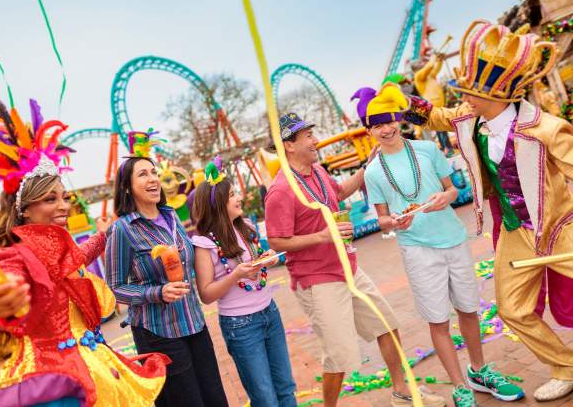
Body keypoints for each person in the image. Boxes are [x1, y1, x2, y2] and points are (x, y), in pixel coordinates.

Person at [0, 96, 169, 406]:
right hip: (55, 386)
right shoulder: (12, 257)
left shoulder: (62, 248)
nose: (62, 206)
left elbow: (76, 258)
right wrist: (4, 298)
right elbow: (6, 283)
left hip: (96, 366)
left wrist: (102, 235)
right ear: (25, 211)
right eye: (49, 199)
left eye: (64, 197)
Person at [404, 20, 573, 402]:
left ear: (496, 95)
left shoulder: (547, 129)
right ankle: (565, 366)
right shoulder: (471, 120)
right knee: (511, 309)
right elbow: (436, 116)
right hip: (516, 232)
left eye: (470, 93)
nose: (464, 99)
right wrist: (404, 105)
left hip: (560, 227)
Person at [353, 83, 524, 406]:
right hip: (417, 250)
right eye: (376, 125)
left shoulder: (428, 150)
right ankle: (459, 385)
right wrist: (395, 222)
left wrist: (441, 198)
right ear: (368, 131)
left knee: (469, 310)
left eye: (388, 121)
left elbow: (452, 191)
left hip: (453, 240)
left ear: (399, 119)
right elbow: (383, 219)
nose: (385, 129)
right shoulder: (372, 172)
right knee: (438, 319)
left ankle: (479, 370)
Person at [264, 112, 445, 407]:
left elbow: (340, 192)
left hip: (348, 269)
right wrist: (324, 236)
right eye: (308, 136)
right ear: (289, 145)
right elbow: (277, 240)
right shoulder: (280, 190)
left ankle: (401, 392)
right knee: (338, 357)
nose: (316, 141)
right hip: (317, 280)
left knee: (387, 324)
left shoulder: (318, 171)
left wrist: (367, 167)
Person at [105, 130, 229, 407]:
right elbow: (115, 288)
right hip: (158, 332)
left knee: (215, 399)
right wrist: (157, 292)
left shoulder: (172, 216)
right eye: (143, 175)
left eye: (153, 172)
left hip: (194, 322)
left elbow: (191, 262)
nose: (153, 179)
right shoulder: (123, 230)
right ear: (127, 187)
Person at [192, 156, 297, 407]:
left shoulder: (247, 227)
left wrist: (266, 260)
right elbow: (206, 294)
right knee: (265, 398)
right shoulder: (205, 244)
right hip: (241, 326)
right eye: (232, 195)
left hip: (270, 312)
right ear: (218, 203)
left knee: (286, 388)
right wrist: (236, 275)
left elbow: (255, 270)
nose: (239, 197)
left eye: (237, 193)